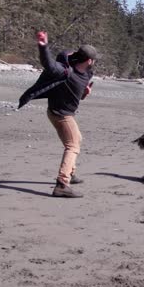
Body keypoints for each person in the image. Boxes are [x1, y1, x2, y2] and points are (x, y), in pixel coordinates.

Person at [18, 31, 96, 198]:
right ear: (89, 60)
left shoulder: (87, 73)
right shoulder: (64, 71)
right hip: (61, 115)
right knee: (73, 145)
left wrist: (85, 92)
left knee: (77, 139)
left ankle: (71, 173)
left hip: (63, 113)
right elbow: (49, 64)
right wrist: (43, 45)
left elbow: (78, 93)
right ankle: (62, 184)